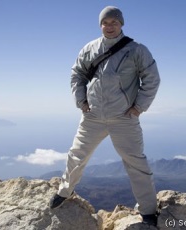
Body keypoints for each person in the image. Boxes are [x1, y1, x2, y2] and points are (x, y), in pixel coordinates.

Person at [49, 6, 161, 226]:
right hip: (93, 116)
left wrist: (139, 107)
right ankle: (65, 191)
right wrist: (81, 100)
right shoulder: (90, 48)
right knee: (77, 155)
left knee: (136, 163)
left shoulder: (136, 50)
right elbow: (77, 74)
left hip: (123, 118)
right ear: (100, 24)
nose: (110, 26)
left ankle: (148, 210)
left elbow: (152, 78)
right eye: (106, 22)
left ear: (121, 24)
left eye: (114, 22)